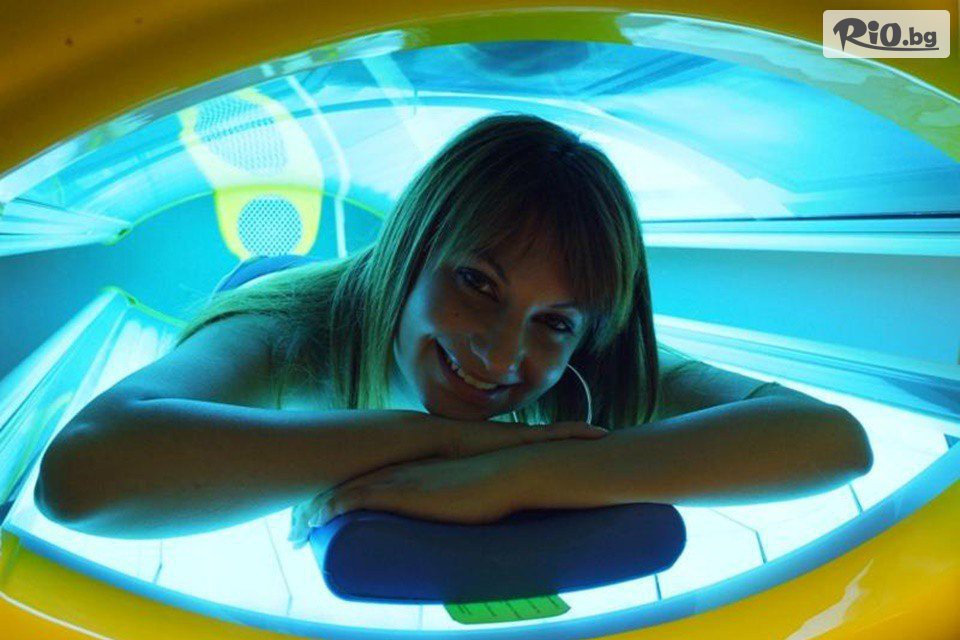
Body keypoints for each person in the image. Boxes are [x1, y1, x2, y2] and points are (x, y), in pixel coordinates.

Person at [34, 114, 873, 545]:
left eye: (553, 320)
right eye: (478, 283)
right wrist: (457, 444)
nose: (504, 353)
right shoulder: (291, 329)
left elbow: (830, 440)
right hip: (303, 295)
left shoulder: (586, 366)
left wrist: (519, 475)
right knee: (262, 285)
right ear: (410, 250)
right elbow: (83, 477)